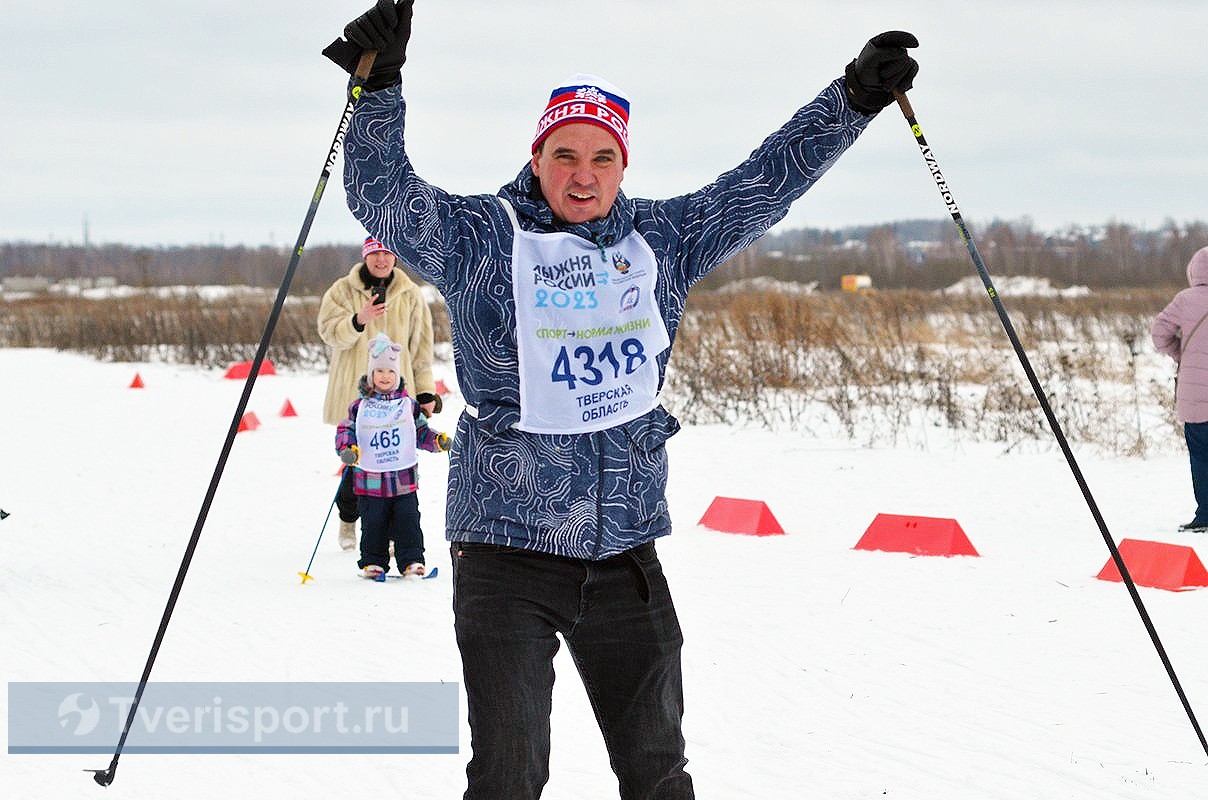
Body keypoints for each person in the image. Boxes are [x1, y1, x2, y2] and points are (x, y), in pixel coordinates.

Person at [323, 2, 918, 796]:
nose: (582, 173)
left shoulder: (661, 241)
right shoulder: (483, 238)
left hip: (626, 550)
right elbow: (383, 196)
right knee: (508, 775)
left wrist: (851, 100)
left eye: (602, 157)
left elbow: (762, 185)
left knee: (657, 772)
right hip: (506, 549)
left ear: (623, 166)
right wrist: (380, 87)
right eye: (564, 153)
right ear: (537, 158)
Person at [318, 233, 440, 551]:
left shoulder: (411, 295)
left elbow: (420, 350)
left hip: (398, 402)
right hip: (355, 397)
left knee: (393, 468)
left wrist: (425, 394)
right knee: (356, 466)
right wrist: (359, 320)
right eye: (375, 254)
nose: (381, 260)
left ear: (395, 258)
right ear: (365, 257)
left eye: (387, 254)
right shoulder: (342, 291)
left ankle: (385, 535)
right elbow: (328, 332)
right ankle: (348, 520)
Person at [336, 332, 450, 577]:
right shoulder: (360, 406)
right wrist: (348, 449)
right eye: (379, 372)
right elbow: (346, 429)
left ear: (397, 375)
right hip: (370, 480)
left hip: (403, 480)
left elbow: (420, 432)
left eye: (390, 372)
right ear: (371, 375)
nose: (385, 377)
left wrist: (436, 441)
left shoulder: (408, 406)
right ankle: (373, 561)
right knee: (373, 521)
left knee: (408, 520)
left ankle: (412, 561)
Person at [1151, 246, 1208, 532]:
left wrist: (1180, 354)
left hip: (1196, 399)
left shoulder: (1184, 301)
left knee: (1200, 455)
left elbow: (1158, 332)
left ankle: (1206, 516)